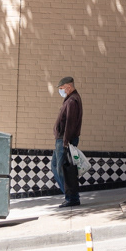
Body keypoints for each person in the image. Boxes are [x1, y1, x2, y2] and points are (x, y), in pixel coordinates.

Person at [52, 75, 83, 208]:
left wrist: (65, 142)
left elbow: (70, 123)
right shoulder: (70, 99)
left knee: (63, 170)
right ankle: (70, 195)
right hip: (62, 140)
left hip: (64, 140)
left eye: (61, 88)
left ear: (68, 87)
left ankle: (72, 197)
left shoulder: (72, 101)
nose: (60, 91)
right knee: (55, 166)